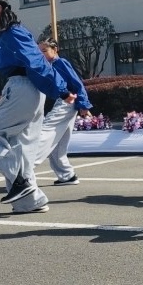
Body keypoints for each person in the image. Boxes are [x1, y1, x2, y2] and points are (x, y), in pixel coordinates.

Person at [0, 0, 74, 214]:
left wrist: (61, 90)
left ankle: (21, 181)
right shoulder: (6, 34)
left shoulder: (13, 33)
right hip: (30, 90)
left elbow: (37, 63)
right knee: (23, 148)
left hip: (22, 89)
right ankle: (29, 201)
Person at [34, 39, 92, 186]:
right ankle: (67, 175)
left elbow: (77, 84)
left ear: (55, 50)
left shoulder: (61, 63)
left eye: (44, 51)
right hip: (64, 103)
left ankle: (26, 167)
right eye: (39, 51)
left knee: (44, 132)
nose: (41, 54)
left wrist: (84, 105)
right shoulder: (48, 66)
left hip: (65, 103)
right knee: (58, 142)